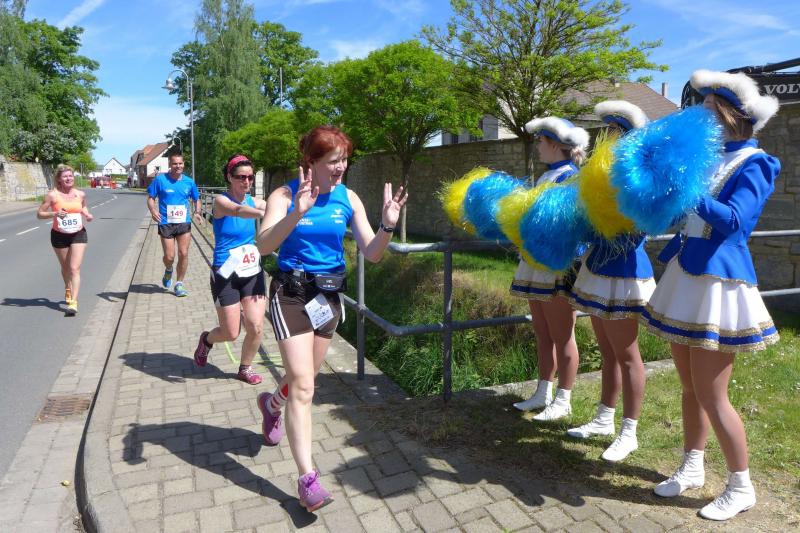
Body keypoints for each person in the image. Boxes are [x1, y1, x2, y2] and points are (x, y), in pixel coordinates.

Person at [642, 69, 780, 521]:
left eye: (709, 114)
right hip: (685, 274)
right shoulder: (707, 160)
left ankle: (741, 486)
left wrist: (689, 189)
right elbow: (683, 216)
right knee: (688, 386)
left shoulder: (757, 163)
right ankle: (693, 465)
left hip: (719, 282)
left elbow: (735, 221)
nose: (701, 122)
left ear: (732, 116)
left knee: (712, 393)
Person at [255, 125, 407, 512]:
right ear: (311, 162)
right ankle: (307, 479)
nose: (341, 167)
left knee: (302, 378)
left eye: (345, 160)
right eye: (333, 161)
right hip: (290, 294)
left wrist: (388, 224)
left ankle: (272, 405)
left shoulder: (348, 198)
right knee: (304, 386)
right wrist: (297, 213)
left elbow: (373, 252)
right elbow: (264, 245)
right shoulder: (284, 195)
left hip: (327, 297)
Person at [566, 101, 656, 462]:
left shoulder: (642, 178)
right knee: (607, 351)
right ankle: (605, 418)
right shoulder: (606, 172)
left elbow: (639, 229)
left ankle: (629, 432)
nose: (611, 139)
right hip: (598, 266)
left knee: (628, 355)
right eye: (610, 132)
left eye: (617, 132)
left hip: (624, 269)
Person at [510, 117, 589, 421]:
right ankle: (543, 391)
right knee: (542, 332)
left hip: (558, 266)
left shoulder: (571, 178)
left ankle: (564, 398)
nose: (537, 147)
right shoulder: (546, 176)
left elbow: (573, 226)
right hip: (535, 263)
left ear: (555, 144)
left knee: (562, 334)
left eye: (541, 141)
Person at [193, 155, 267, 385]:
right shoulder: (220, 201)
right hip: (226, 272)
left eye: (250, 177)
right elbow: (239, 210)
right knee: (231, 333)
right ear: (229, 177)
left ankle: (245, 368)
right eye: (241, 177)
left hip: (251, 270)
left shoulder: (255, 201)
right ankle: (207, 340)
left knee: (256, 326)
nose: (247, 182)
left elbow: (275, 205)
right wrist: (264, 213)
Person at [37, 164, 94, 315]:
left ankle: (73, 303)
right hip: (59, 235)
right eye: (65, 176)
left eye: (70, 176)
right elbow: (40, 214)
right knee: (66, 268)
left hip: (78, 233)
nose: (69, 178)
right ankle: (68, 287)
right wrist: (54, 214)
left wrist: (87, 215)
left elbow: (83, 207)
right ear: (59, 179)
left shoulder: (80, 194)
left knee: (74, 268)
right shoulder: (52, 195)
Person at [146, 153, 202, 297]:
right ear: (170, 165)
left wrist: (197, 212)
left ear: (183, 164)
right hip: (166, 223)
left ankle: (179, 284)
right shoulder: (160, 180)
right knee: (169, 257)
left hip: (183, 222)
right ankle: (169, 269)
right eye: (175, 163)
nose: (178, 166)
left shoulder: (189, 182)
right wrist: (153, 210)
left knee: (184, 253)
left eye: (180, 163)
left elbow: (196, 199)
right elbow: (151, 198)